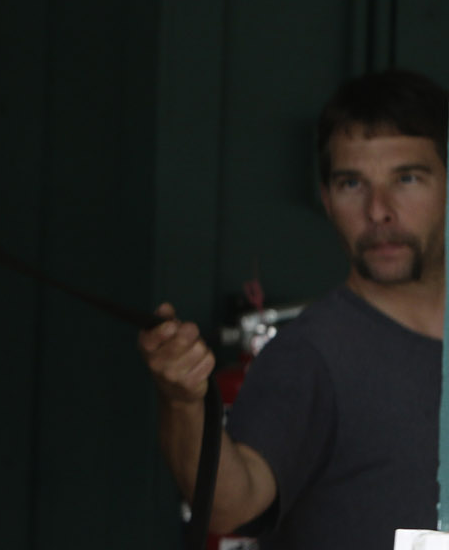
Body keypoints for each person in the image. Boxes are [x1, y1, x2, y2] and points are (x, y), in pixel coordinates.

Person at [138, 68, 447, 547]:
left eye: (406, 178)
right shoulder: (312, 355)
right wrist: (182, 404)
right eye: (352, 184)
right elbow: (230, 504)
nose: (378, 210)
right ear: (326, 199)